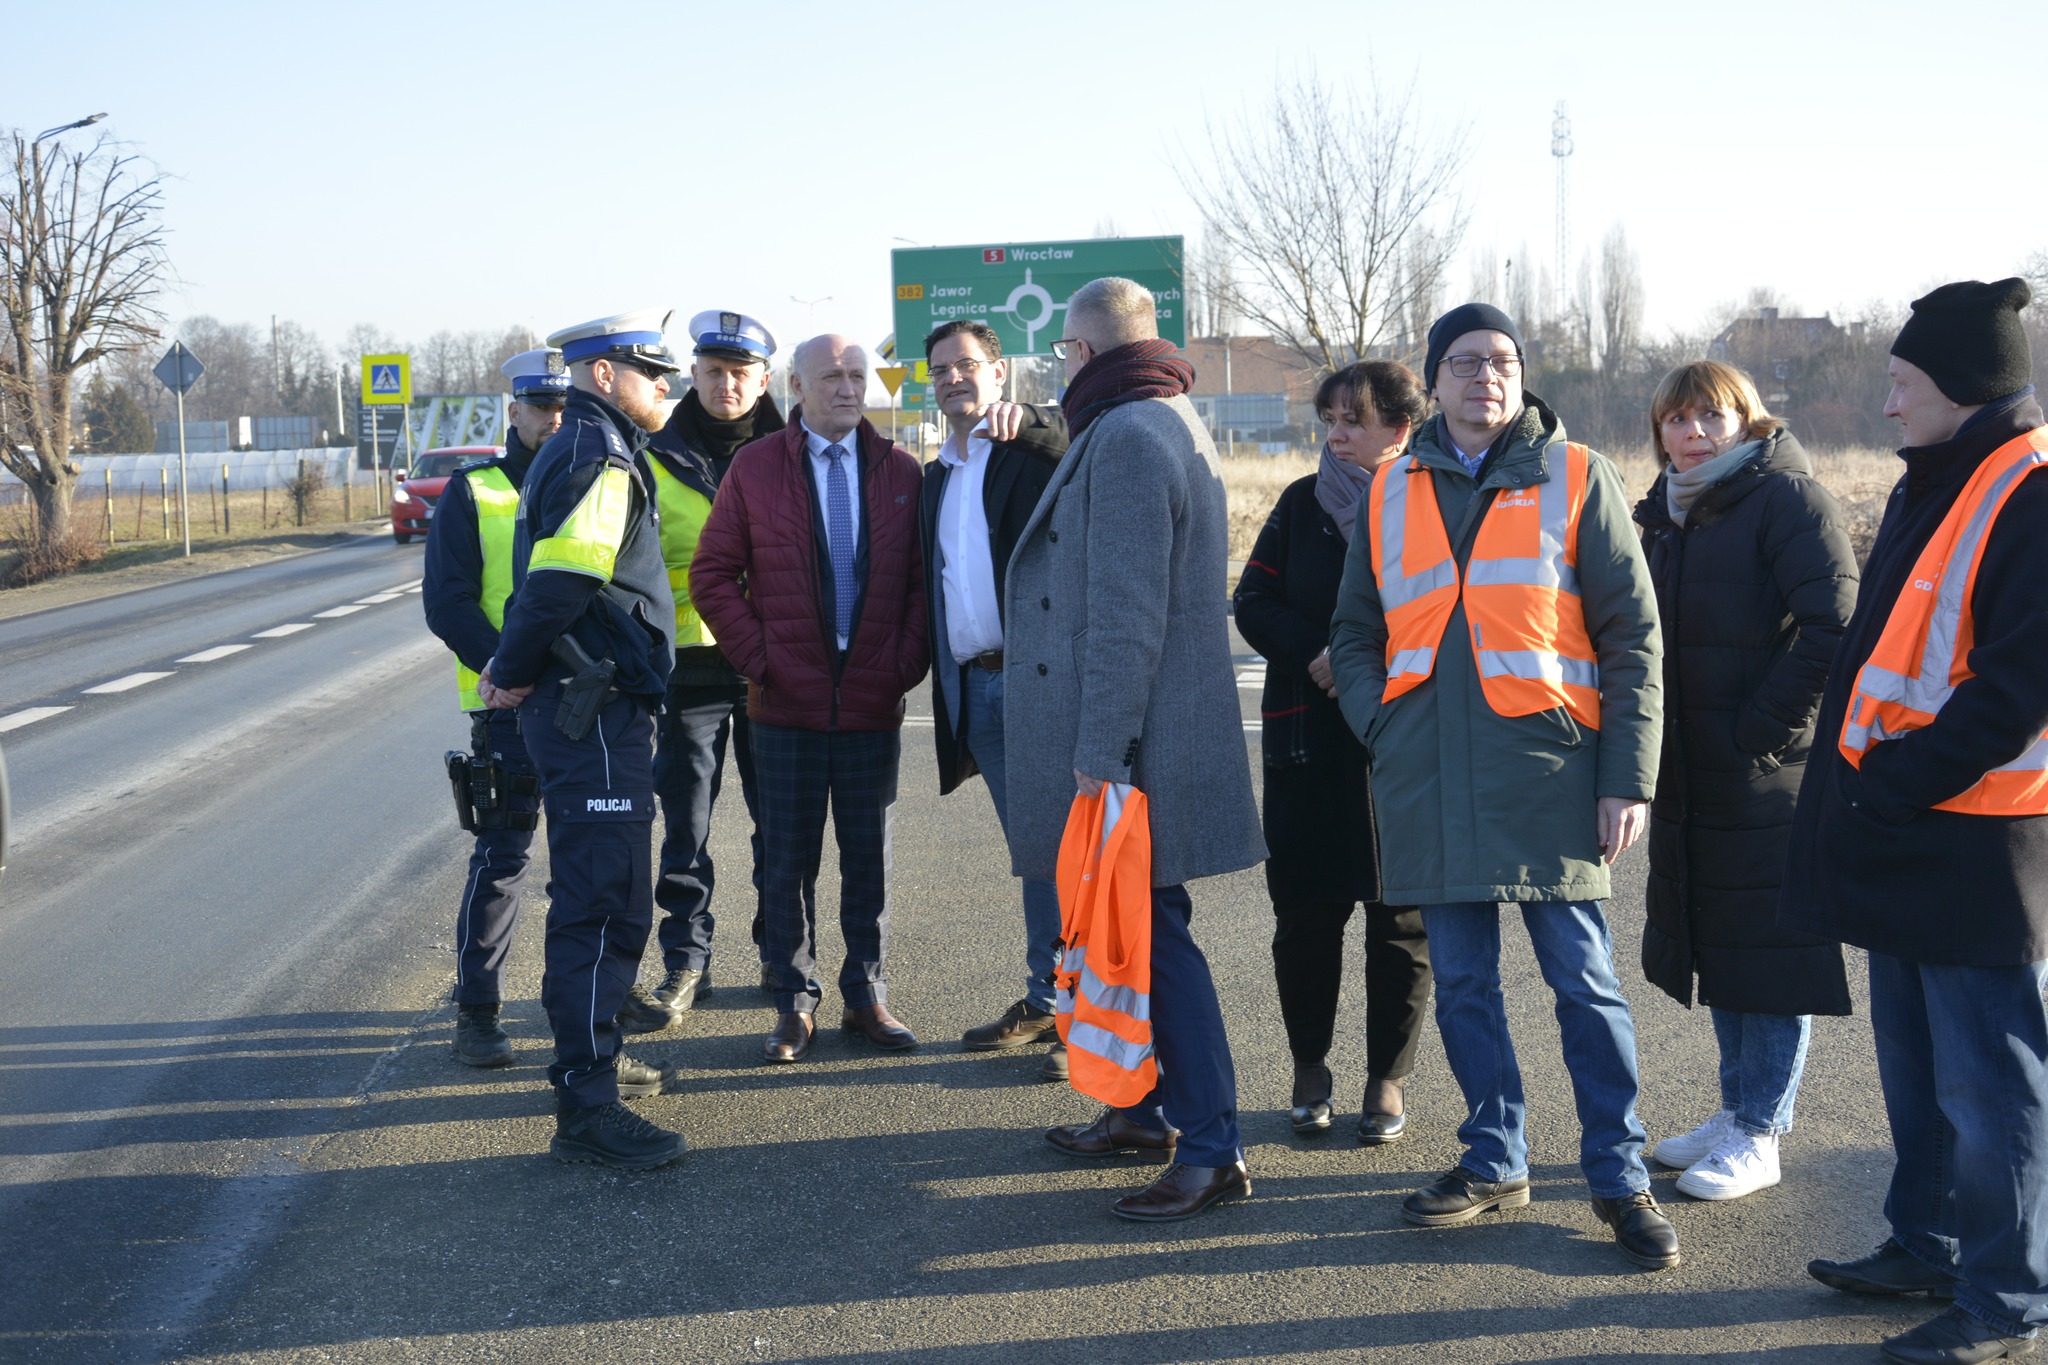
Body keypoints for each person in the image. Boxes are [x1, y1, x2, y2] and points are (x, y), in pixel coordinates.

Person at [1328, 302, 1675, 1269]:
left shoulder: (1576, 476)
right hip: (1429, 778)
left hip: (1553, 778)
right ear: (1433, 380)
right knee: (1466, 987)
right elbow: (1354, 630)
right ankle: (1495, 1155)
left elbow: (1632, 640)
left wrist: (1625, 778)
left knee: (1584, 984)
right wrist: (1379, 721)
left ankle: (1618, 1173)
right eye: (1468, 360)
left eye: (1505, 360)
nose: (1489, 373)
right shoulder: (1391, 488)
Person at [1788, 279, 2048, 1365]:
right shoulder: (1936, 479)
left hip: (1976, 838)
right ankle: (1925, 1240)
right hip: (1904, 824)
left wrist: (1893, 779)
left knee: (1989, 1088)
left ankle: (2005, 1299)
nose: (1887, 406)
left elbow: (2015, 684)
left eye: (1899, 384)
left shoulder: (2027, 490)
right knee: (1915, 1073)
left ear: (1955, 386)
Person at [1005, 276, 1266, 1222]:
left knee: (1153, 941)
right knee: (1138, 935)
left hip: (1139, 748)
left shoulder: (1122, 436)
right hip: (1166, 738)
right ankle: (1146, 1111)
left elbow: (1124, 616)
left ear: (1080, 355)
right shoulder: (1172, 416)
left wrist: (1101, 752)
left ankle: (1211, 1146)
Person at [1632, 360, 1857, 1202]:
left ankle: (1762, 1129)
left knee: (1772, 956)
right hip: (1693, 770)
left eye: (1711, 416)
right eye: (1677, 419)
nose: (1693, 432)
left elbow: (1835, 626)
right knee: (1721, 943)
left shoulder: (1787, 498)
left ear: (1747, 419)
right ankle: (1734, 1113)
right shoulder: (1665, 514)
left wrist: (1758, 733)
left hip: (1766, 772)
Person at [475, 308, 682, 1171]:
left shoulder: (587, 445)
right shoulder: (597, 452)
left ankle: (591, 1068)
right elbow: (566, 573)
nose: (666, 385)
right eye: (652, 371)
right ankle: (587, 1102)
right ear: (605, 375)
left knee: (604, 896)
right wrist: (513, 666)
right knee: (605, 899)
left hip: (590, 707)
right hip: (590, 710)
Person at [690, 334, 929, 1064]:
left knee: (869, 860)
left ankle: (866, 993)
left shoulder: (901, 472)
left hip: (870, 707)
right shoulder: (756, 468)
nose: (849, 388)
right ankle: (793, 1001)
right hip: (784, 708)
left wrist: (899, 667)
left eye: (858, 375)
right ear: (797, 385)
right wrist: (763, 661)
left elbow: (925, 585)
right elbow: (712, 575)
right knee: (787, 860)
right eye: (832, 377)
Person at [1233, 359, 1434, 1141]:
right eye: (1329, 420)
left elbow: (1453, 612)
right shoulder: (1298, 506)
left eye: (1354, 419)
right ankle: (1309, 1065)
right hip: (1305, 748)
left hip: (1400, 749)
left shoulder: (1431, 504)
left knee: (1401, 926)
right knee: (1306, 923)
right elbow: (1252, 602)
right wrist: (1319, 649)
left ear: (1401, 427)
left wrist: (1359, 659)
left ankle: (1387, 1078)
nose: (1338, 434)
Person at [615, 310, 785, 1034]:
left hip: (776, 667)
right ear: (693, 375)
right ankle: (688, 958)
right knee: (686, 826)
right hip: (686, 671)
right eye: (713, 371)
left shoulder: (794, 450)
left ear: (763, 379)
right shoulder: (653, 452)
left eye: (740, 373)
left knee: (782, 823)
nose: (726, 384)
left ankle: (781, 953)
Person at [915, 319, 1071, 1076]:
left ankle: (1088, 1016)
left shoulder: (1030, 447)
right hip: (976, 687)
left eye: (967, 364)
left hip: (1042, 684)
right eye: (940, 369)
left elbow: (1078, 435)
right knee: (1038, 856)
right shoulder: (937, 475)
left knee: (1077, 855)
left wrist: (1038, 419)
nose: (953, 378)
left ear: (1000, 372)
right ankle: (1049, 997)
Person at [420, 348, 566, 1068]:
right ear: (514, 411)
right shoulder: (473, 492)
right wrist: (504, 672)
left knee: (587, 860)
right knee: (504, 858)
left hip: (583, 705)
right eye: (540, 405)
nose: (553, 418)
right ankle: (477, 1012)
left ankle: (584, 1008)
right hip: (507, 705)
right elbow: (446, 601)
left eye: (564, 406)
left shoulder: (594, 481)